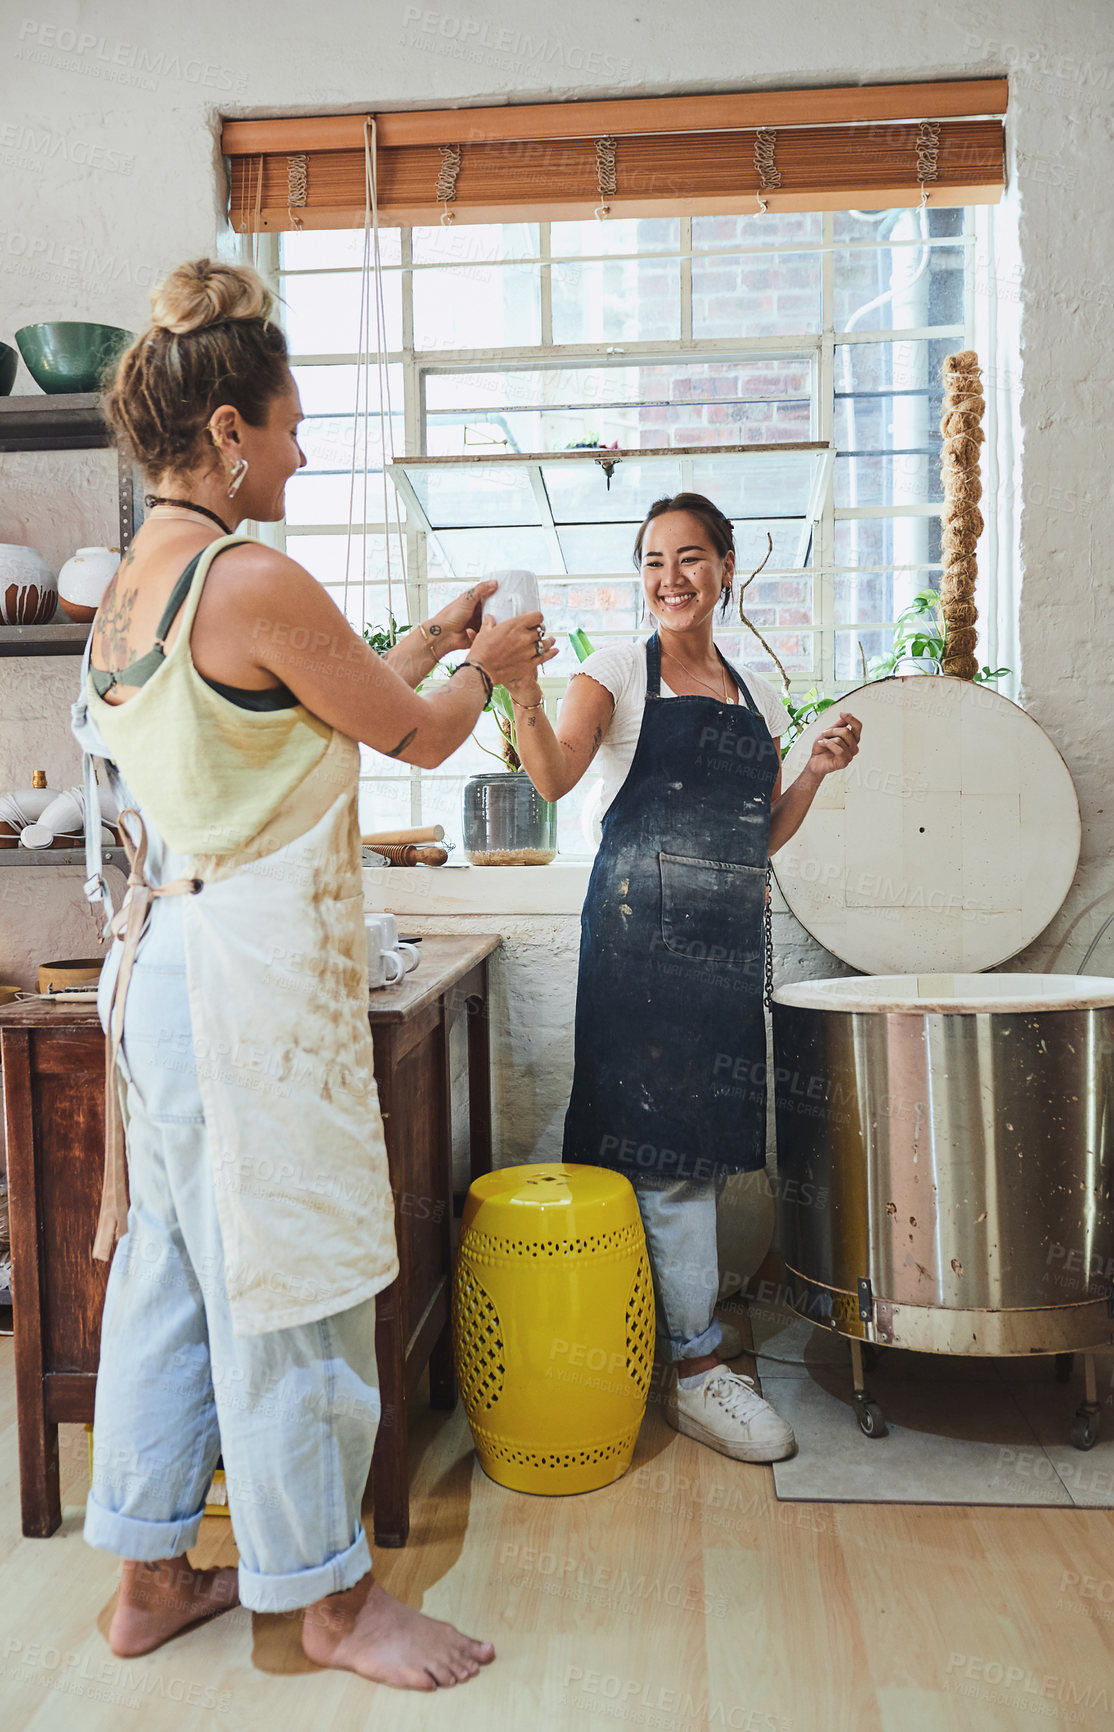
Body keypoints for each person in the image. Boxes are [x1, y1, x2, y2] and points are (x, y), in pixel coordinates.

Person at [74, 257, 556, 1688]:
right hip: (244, 995)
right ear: (229, 431)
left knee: (170, 1272)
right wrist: (495, 661)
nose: (304, 448)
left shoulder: (133, 588)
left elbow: (294, 717)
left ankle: (150, 1577)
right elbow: (413, 737)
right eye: (289, 425)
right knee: (291, 1280)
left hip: (164, 978)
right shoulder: (251, 574)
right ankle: (330, 1603)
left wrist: (424, 649)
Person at [507, 492, 861, 1463]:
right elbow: (549, 777)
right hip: (637, 951)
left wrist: (816, 769)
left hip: (720, 960)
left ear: (726, 567)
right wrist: (521, 695)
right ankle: (698, 1370)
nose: (671, 577)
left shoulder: (757, 695)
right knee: (663, 1170)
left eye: (691, 557)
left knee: (693, 1156)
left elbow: (760, 833)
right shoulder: (618, 668)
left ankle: (655, 1350)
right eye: (655, 559)